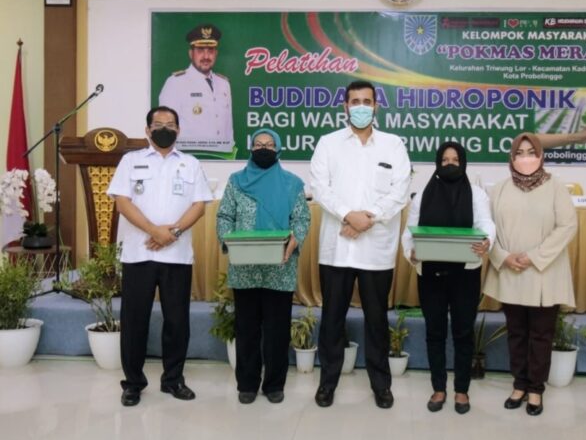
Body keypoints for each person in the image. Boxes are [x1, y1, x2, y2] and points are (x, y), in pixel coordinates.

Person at [309, 80, 412, 409]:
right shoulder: (328, 144)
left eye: (367, 101)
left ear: (376, 105)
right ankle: (327, 384)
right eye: (355, 101)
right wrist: (348, 215)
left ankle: (381, 385)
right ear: (345, 106)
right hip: (337, 248)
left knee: (377, 320)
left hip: (376, 249)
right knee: (332, 320)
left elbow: (400, 190)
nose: (361, 107)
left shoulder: (393, 145)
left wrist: (369, 218)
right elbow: (320, 188)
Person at [107, 106, 213, 406]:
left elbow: (199, 206)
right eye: (158, 124)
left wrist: (172, 232)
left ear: (179, 130)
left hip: (177, 255)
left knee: (177, 321)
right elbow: (122, 203)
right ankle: (133, 383)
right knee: (134, 321)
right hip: (138, 254)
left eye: (171, 124)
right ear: (147, 130)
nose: (164, 129)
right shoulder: (131, 160)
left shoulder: (190, 163)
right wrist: (154, 231)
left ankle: (173, 380)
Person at [483, 133, 578, 417]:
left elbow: (568, 226)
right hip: (510, 270)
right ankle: (519, 384)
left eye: (531, 152)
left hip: (543, 272)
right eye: (520, 153)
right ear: (511, 157)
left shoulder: (555, 187)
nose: (525, 158)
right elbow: (487, 229)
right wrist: (503, 256)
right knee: (516, 333)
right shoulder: (499, 189)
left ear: (541, 155)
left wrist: (534, 256)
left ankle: (536, 388)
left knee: (541, 334)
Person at [216, 128, 310, 405]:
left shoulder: (292, 184)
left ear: (278, 149)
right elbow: (224, 216)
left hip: (280, 267)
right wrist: (228, 239)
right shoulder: (236, 182)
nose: (264, 148)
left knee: (277, 331)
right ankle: (247, 384)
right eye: (258, 144)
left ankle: (274, 385)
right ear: (251, 148)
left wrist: (295, 239)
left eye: (269, 144)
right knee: (246, 329)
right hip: (244, 268)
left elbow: (301, 219)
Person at [401, 142, 496, 415]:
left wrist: (487, 241)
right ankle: (439, 388)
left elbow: (486, 223)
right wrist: (412, 252)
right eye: (445, 160)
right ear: (438, 163)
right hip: (431, 273)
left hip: (465, 274)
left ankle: (462, 390)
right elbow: (409, 232)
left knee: (463, 333)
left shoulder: (476, 194)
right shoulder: (423, 195)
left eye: (455, 159)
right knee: (435, 332)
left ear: (463, 162)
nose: (450, 164)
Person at [159, 24, 234, 153]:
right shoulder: (175, 83)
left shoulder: (224, 84)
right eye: (200, 50)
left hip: (221, 156)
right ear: (191, 53)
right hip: (189, 156)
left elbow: (228, 130)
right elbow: (166, 129)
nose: (206, 56)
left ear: (216, 53)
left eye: (210, 51)